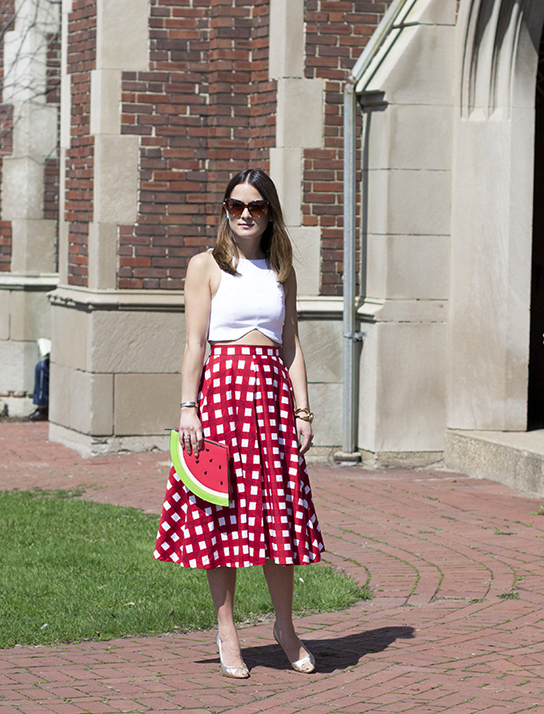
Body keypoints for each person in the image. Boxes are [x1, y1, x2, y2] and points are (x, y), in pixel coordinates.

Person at [153, 168, 324, 679]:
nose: (244, 214)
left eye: (255, 206)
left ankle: (285, 627)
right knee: (220, 519)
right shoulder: (205, 265)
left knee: (278, 517)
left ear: (270, 213)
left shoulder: (281, 268)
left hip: (271, 405)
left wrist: (303, 410)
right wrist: (189, 408)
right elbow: (194, 343)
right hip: (221, 401)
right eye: (235, 205)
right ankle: (227, 630)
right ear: (224, 211)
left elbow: (291, 342)